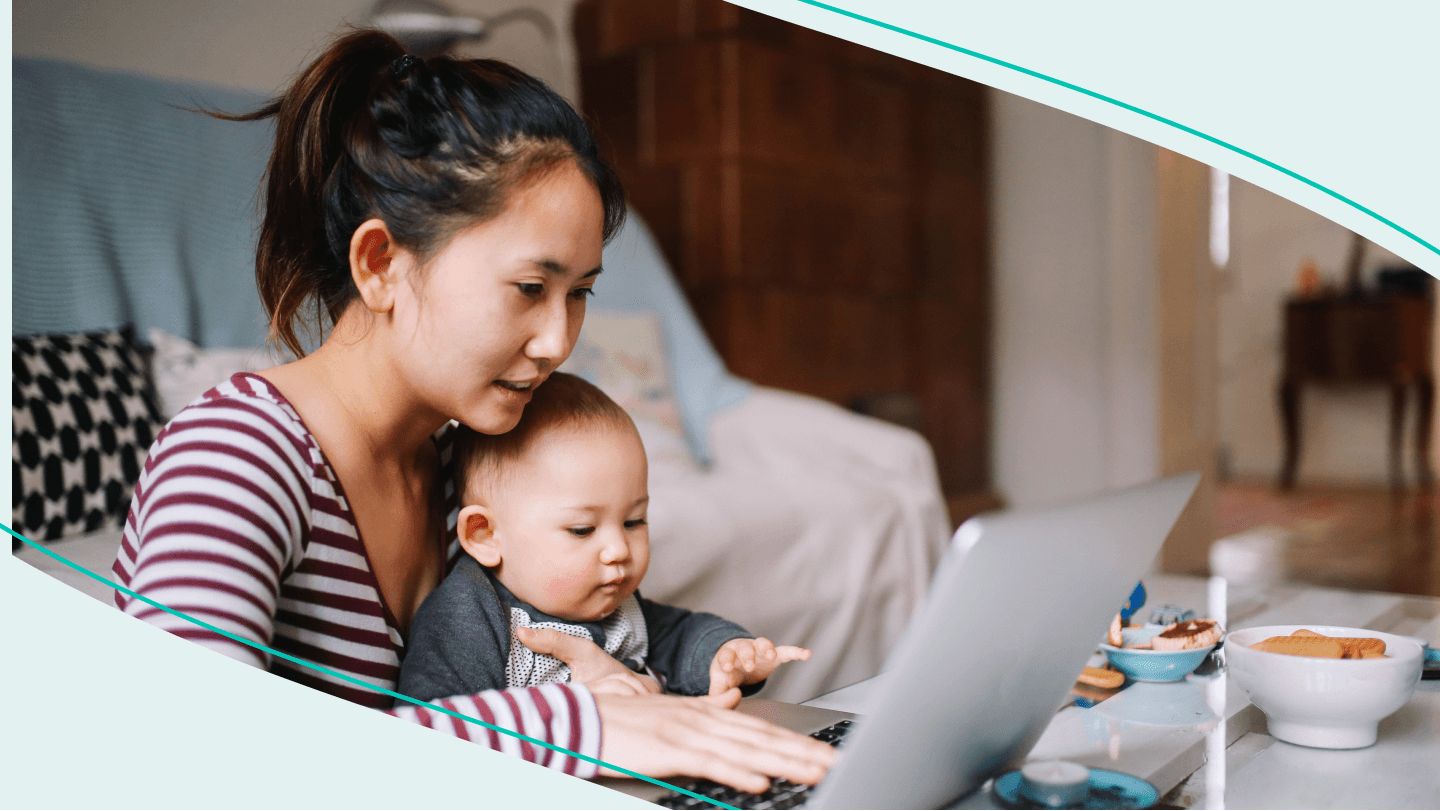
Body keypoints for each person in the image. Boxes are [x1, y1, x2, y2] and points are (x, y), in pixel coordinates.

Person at [111, 28, 834, 793]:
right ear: (382, 263)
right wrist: (578, 725)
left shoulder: (475, 464)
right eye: (530, 287)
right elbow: (189, 755)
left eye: (579, 293)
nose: (558, 340)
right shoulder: (234, 457)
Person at [397, 372, 811, 703]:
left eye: (634, 521)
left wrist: (726, 655)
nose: (618, 550)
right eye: (582, 529)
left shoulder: (617, 606)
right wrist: (574, 710)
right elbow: (435, 727)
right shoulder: (470, 618)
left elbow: (680, 635)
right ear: (485, 535)